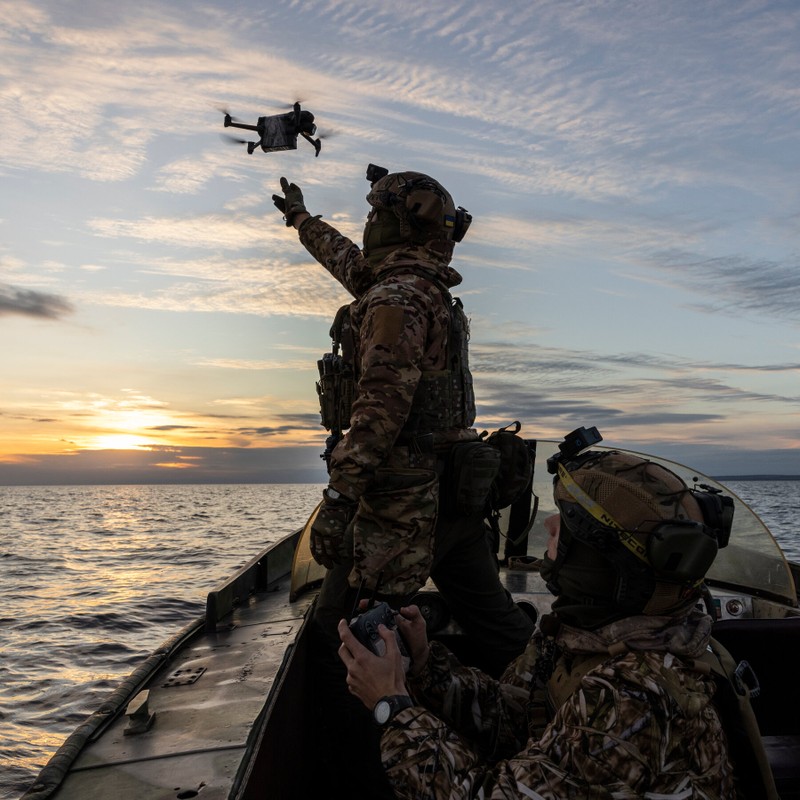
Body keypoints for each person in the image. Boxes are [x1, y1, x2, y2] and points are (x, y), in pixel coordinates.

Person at [272, 169, 534, 795]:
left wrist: (339, 499)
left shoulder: (395, 301)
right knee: (495, 625)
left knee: (342, 637)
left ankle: (359, 777)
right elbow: (349, 263)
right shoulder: (414, 287)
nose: (364, 228)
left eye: (374, 218)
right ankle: (536, 717)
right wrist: (301, 220)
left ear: (393, 225)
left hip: (398, 509)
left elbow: (378, 414)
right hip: (455, 497)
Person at [338, 445, 741, 799]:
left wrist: (391, 707)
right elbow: (514, 719)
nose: (549, 525)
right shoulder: (582, 635)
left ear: (598, 557)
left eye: (566, 521)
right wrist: (423, 666)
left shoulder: (634, 697)